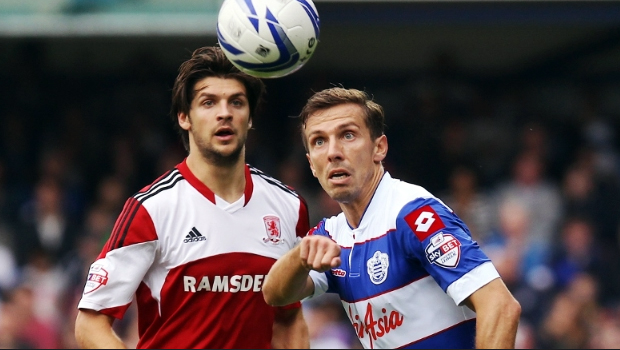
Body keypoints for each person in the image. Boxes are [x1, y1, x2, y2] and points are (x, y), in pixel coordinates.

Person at [74, 46, 311, 349]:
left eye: (236, 102)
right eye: (208, 102)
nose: (224, 112)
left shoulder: (289, 207)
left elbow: (289, 319)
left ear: (249, 117)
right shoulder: (150, 210)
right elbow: (90, 323)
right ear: (185, 117)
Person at [262, 87, 522, 349]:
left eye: (348, 135)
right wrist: (299, 258)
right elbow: (275, 294)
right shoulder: (331, 234)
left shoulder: (413, 215)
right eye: (319, 141)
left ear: (379, 148)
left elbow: (500, 306)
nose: (333, 152)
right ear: (311, 164)